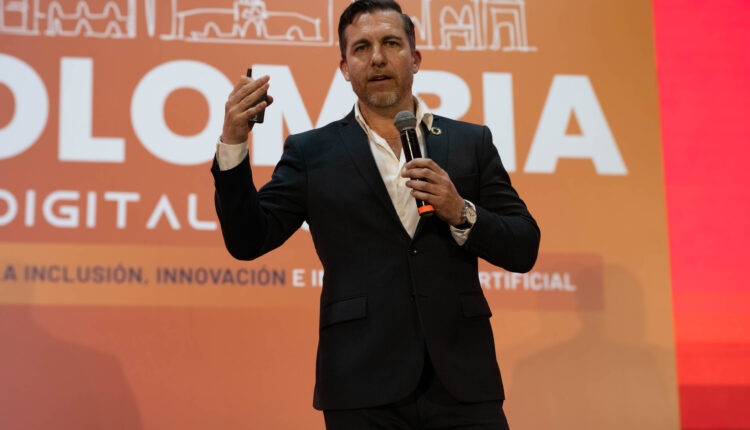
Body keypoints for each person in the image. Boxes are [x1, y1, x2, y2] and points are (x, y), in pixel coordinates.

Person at [211, 0, 539, 428]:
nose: (378, 58)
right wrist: (234, 143)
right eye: (361, 48)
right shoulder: (311, 152)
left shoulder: (469, 142)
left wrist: (461, 211)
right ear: (345, 68)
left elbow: (523, 245)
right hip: (360, 383)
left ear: (415, 58)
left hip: (462, 379)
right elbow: (248, 240)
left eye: (391, 43)